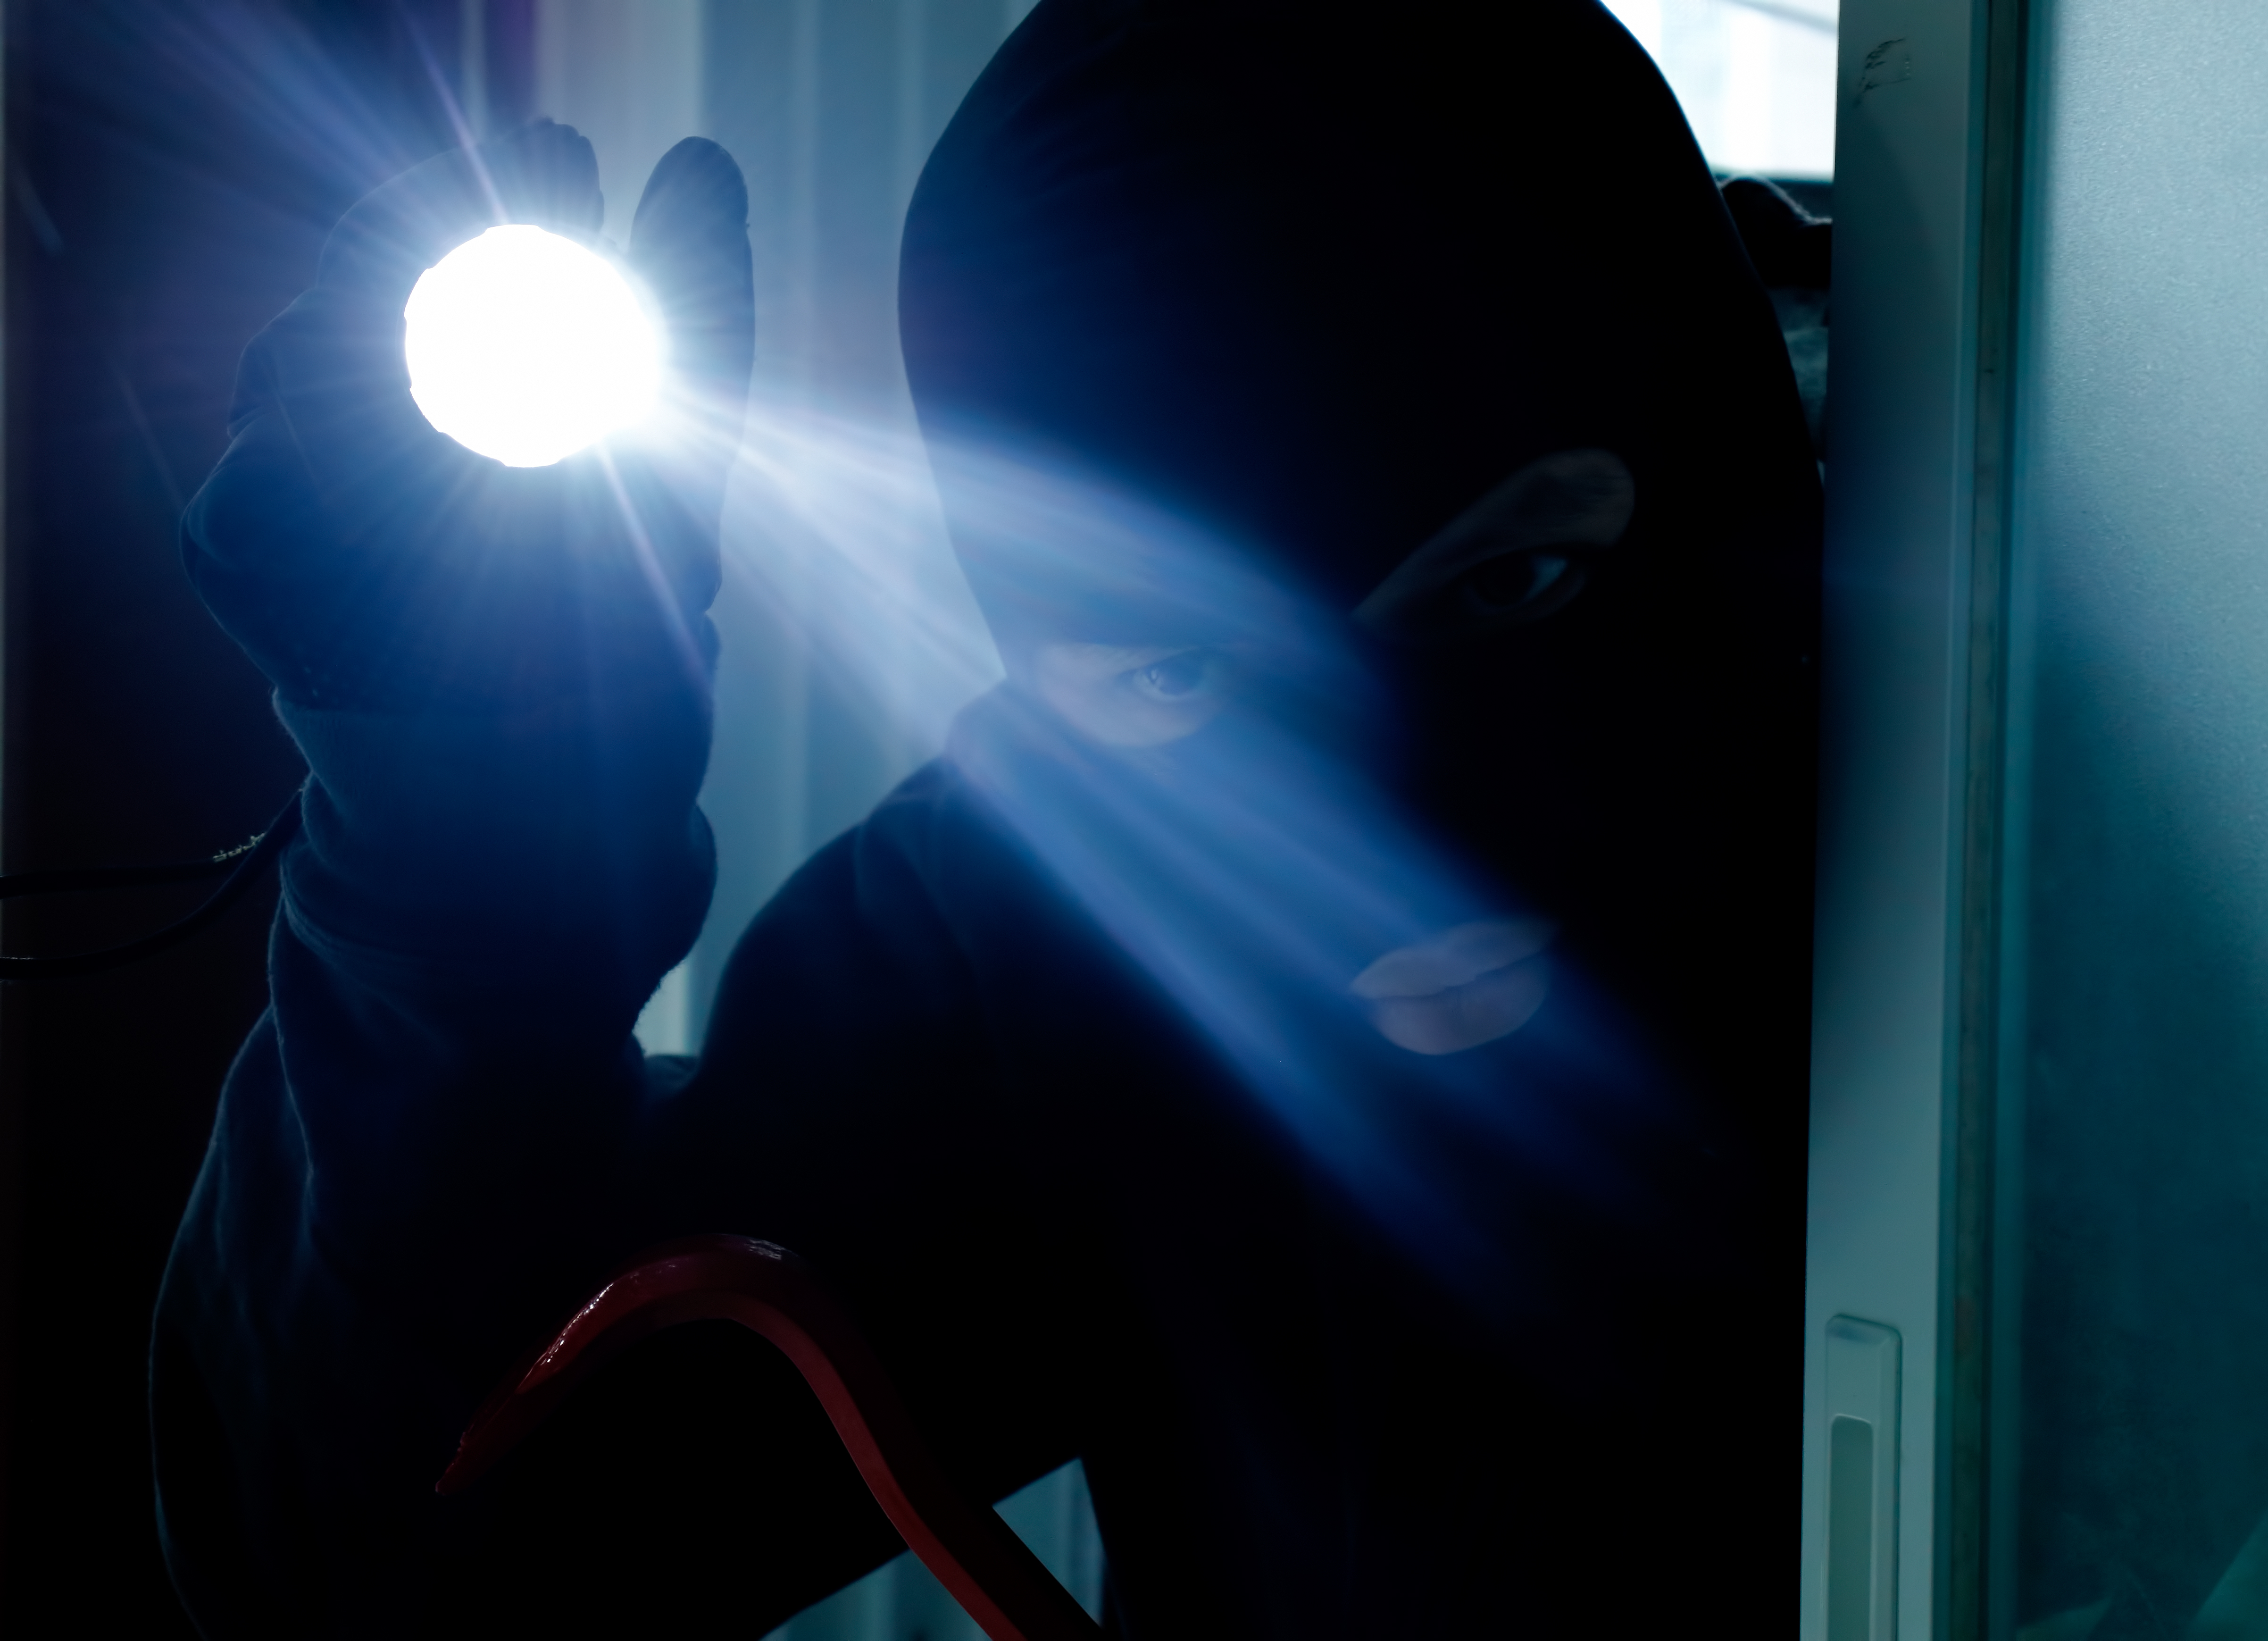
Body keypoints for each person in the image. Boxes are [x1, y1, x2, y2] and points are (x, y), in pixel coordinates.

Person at [151, 1, 1821, 1635]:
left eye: (1510, 583)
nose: (1397, 830)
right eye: (1179, 678)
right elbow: (410, 1555)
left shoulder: (2022, 675)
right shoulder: (1053, 918)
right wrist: (465, 817)